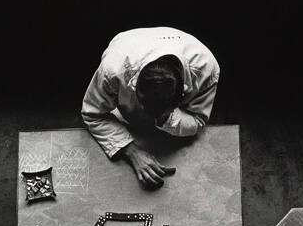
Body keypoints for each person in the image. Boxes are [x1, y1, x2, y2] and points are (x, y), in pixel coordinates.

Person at [81, 27, 220, 188]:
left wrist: (166, 119)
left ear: (184, 93)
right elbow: (92, 113)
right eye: (142, 104)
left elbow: (198, 119)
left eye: (159, 112)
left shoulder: (206, 69)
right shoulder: (112, 70)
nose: (148, 115)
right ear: (133, 84)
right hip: (126, 44)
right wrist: (132, 151)